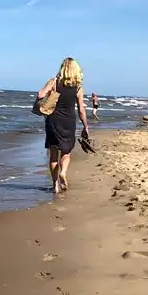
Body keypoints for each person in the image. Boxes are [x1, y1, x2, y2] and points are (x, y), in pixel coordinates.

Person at [36, 57, 89, 194]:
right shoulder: (78, 87)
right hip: (68, 122)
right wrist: (85, 126)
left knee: (53, 153)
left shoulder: (53, 82)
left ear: (62, 68)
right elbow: (81, 109)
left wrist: (44, 98)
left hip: (53, 120)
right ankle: (63, 172)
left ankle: (55, 185)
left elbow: (40, 94)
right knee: (66, 151)